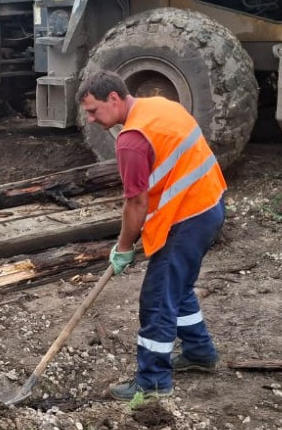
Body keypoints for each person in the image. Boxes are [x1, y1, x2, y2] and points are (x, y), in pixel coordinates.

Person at [76, 70, 225, 399]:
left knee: (157, 299)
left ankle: (154, 382)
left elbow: (136, 202)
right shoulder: (160, 106)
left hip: (186, 219)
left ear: (114, 99)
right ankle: (200, 352)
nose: (90, 119)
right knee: (178, 285)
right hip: (210, 204)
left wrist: (124, 246)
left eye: (93, 110)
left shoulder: (131, 140)